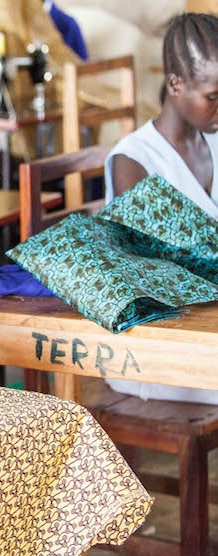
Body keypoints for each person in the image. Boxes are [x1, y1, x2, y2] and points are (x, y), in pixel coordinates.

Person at [105, 12, 218, 402]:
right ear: (175, 84)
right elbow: (162, 273)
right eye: (213, 98)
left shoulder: (213, 140)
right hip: (156, 350)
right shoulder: (133, 162)